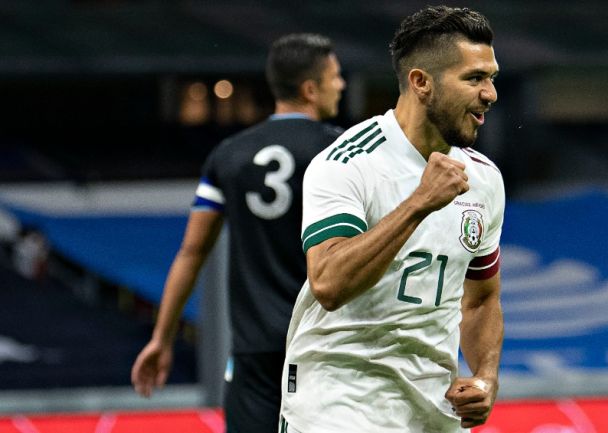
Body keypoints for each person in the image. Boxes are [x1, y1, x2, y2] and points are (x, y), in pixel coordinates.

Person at [279, 6, 504, 433]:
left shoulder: (485, 179)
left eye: (491, 78)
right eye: (474, 78)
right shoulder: (346, 163)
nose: (490, 93)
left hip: (433, 408)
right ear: (421, 82)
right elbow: (327, 283)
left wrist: (486, 378)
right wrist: (419, 203)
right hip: (339, 400)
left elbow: (481, 300)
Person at [130, 33, 345, 433]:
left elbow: (192, 253)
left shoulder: (229, 154)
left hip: (253, 352)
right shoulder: (340, 153)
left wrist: (161, 338)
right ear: (310, 89)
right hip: (326, 349)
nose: (342, 85)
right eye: (335, 77)